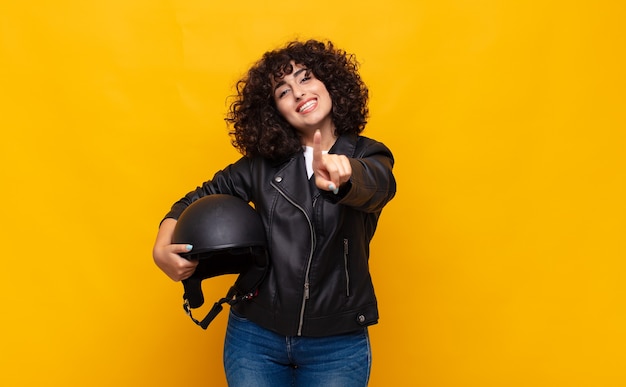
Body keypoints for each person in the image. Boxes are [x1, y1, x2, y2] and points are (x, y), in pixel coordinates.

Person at [153, 39, 396, 387]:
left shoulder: (367, 155)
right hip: (254, 337)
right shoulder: (259, 168)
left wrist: (346, 177)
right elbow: (194, 199)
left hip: (337, 344)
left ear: (330, 83)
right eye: (283, 91)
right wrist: (161, 247)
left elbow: (379, 186)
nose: (298, 93)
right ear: (275, 111)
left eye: (306, 77)